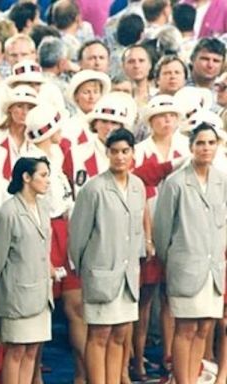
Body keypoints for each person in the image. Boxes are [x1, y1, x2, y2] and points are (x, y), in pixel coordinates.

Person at [70, 128, 146, 384]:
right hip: (100, 274)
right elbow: (78, 236)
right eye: (114, 152)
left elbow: (137, 231)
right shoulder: (94, 189)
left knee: (120, 334)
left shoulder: (138, 186)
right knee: (99, 335)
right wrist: (86, 272)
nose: (120, 157)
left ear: (133, 153)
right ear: (107, 154)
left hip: (128, 277)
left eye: (125, 151)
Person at [154, 123, 227, 384]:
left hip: (213, 270)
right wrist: (175, 259)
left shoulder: (222, 180)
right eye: (200, 143)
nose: (206, 148)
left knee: (205, 327)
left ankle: (194, 379)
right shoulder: (175, 183)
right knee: (185, 328)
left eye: (211, 143)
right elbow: (161, 232)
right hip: (186, 267)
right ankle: (182, 380)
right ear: (191, 147)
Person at [0, 157, 53, 384]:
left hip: (40, 295)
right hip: (16, 297)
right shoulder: (8, 213)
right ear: (26, 177)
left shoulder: (43, 208)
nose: (47, 180)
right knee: (15, 352)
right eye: (43, 175)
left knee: (32, 351)